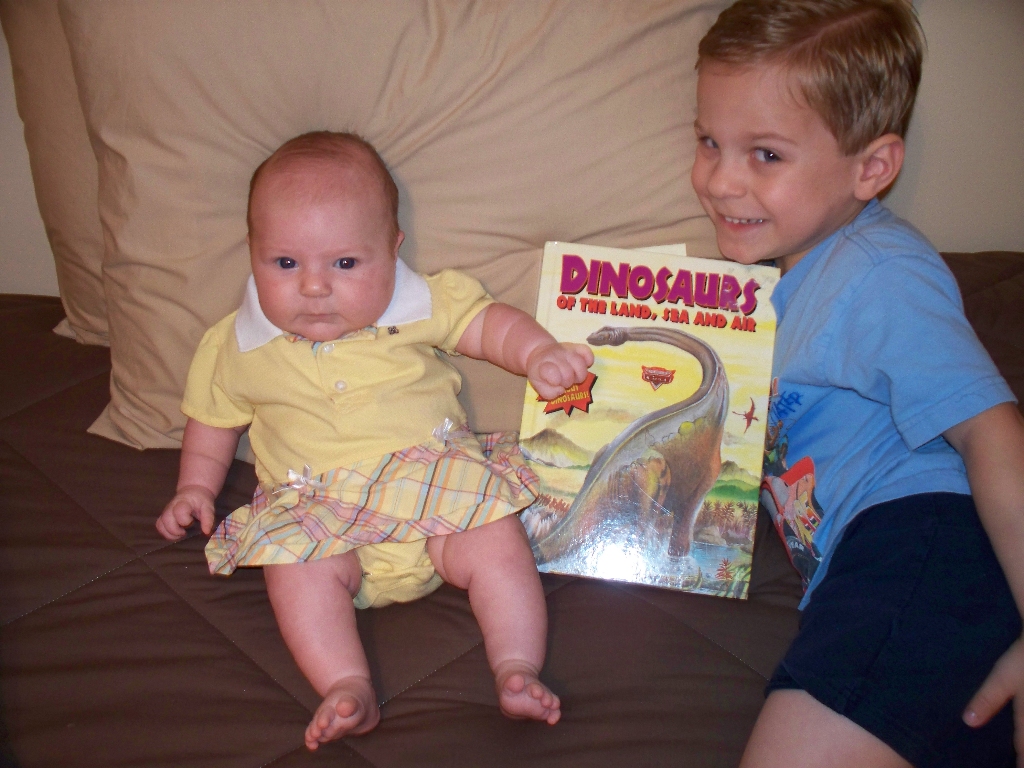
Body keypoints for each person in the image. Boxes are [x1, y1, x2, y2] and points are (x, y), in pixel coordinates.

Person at [156, 131, 593, 749]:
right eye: (285, 263)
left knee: (496, 538)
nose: (314, 287)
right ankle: (345, 684)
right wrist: (195, 488)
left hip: (437, 489)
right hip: (316, 509)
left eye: (344, 264)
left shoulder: (418, 303)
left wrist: (537, 352)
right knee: (293, 568)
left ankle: (516, 666)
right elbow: (212, 422)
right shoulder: (235, 345)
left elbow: (485, 324)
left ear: (392, 249)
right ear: (252, 253)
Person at [691, 1, 1024, 766]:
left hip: (926, 536)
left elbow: (992, 429)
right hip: (861, 569)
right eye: (708, 141)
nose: (720, 180)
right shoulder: (772, 289)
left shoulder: (880, 272)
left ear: (871, 168)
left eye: (765, 154)